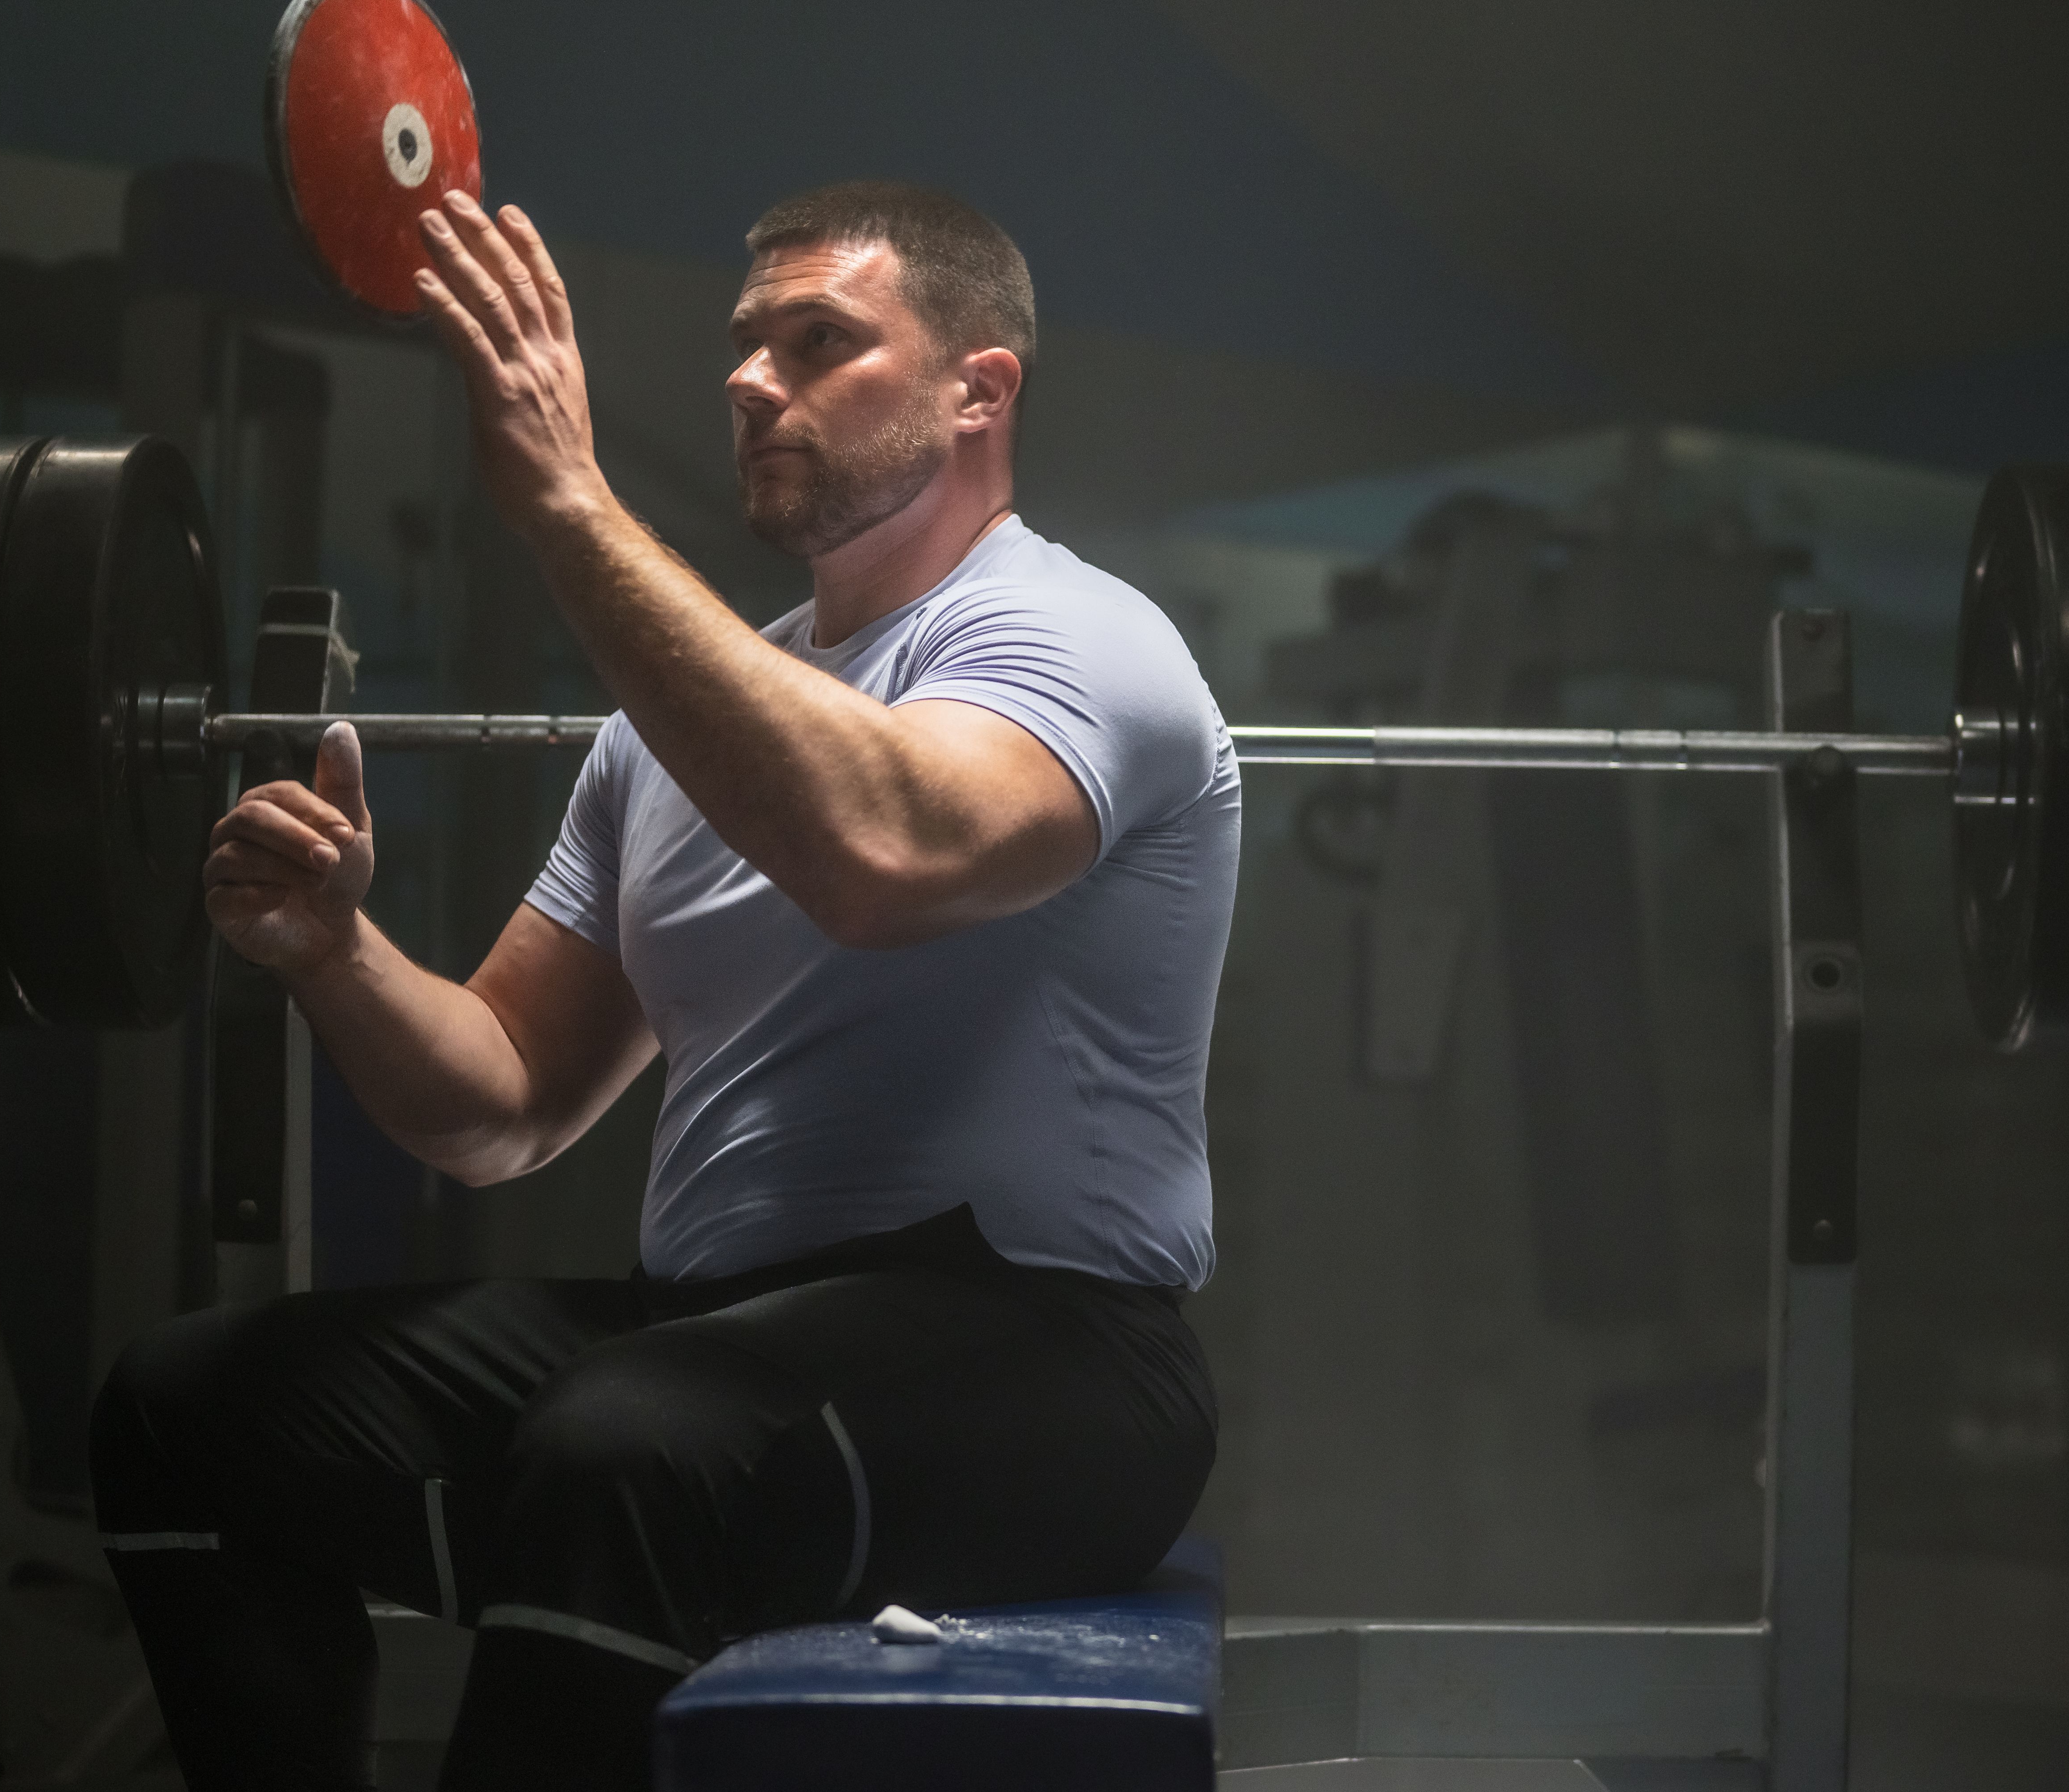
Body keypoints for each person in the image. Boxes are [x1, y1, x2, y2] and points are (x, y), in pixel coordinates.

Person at [90, 181, 1238, 1790]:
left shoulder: (1077, 642)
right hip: (710, 1340)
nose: (753, 379)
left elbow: (884, 857)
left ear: (980, 390)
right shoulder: (666, 733)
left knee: (627, 1442)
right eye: (745, 345)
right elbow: (499, 1104)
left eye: (820, 341)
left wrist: (567, 501)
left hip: (1052, 1361)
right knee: (186, 1405)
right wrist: (334, 953)